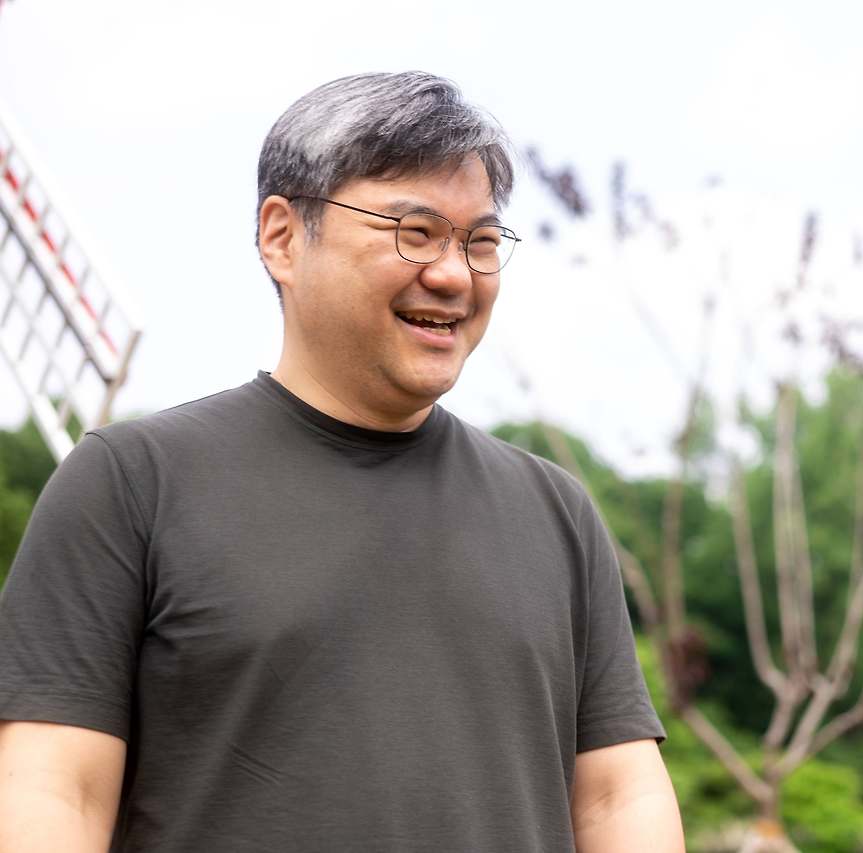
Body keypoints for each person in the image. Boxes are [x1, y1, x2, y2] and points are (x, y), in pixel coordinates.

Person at [0, 71, 684, 852]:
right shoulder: (130, 484)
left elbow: (617, 796)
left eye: (481, 242)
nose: (453, 274)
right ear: (282, 236)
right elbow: (55, 790)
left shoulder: (555, 512)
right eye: (414, 232)